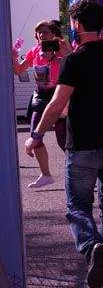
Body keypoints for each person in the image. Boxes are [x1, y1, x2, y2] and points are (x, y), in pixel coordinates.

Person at [26, 0, 103, 288]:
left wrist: (37, 135)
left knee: (77, 206)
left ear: (77, 25)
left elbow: (58, 102)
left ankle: (91, 245)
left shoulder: (74, 60)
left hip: (83, 144)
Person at [12, 20, 68, 188]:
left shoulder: (60, 50)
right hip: (40, 97)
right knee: (35, 136)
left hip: (57, 96)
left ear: (53, 34)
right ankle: (45, 175)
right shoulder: (34, 51)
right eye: (39, 32)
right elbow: (19, 70)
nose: (42, 35)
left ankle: (81, 171)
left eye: (46, 32)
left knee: (63, 138)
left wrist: (57, 57)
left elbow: (72, 66)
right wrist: (13, 57)